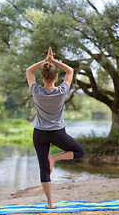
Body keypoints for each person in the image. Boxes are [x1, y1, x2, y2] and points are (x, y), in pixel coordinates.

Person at [26, 47, 84, 209]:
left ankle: (50, 203)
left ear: (42, 77)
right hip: (58, 133)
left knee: (44, 169)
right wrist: (53, 61)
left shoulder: (36, 91)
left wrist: (44, 61)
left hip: (39, 134)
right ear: (56, 77)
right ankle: (54, 158)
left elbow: (29, 71)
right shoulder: (61, 91)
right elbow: (70, 71)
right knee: (80, 152)